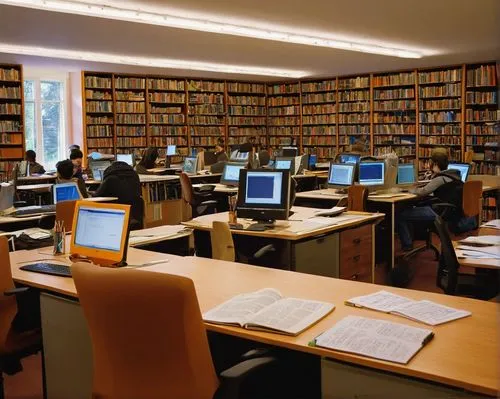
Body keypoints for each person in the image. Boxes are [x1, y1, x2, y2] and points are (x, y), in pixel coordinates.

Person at [396, 151, 462, 251]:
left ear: (435, 164)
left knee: (400, 215)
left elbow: (422, 192)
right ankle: (410, 241)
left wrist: (411, 189)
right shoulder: (453, 176)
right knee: (407, 210)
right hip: (447, 211)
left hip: (436, 211)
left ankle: (407, 245)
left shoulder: (439, 179)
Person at [92, 161, 143, 230]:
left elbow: (96, 196)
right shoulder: (135, 176)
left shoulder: (110, 179)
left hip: (116, 214)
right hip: (135, 213)